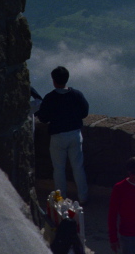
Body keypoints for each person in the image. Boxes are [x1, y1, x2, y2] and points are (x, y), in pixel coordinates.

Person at [35, 66, 89, 204]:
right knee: (78, 167)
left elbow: (44, 118)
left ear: (54, 81)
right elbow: (84, 112)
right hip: (75, 134)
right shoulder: (77, 95)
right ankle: (83, 197)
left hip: (58, 136)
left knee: (58, 169)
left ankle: (61, 199)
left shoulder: (50, 98)